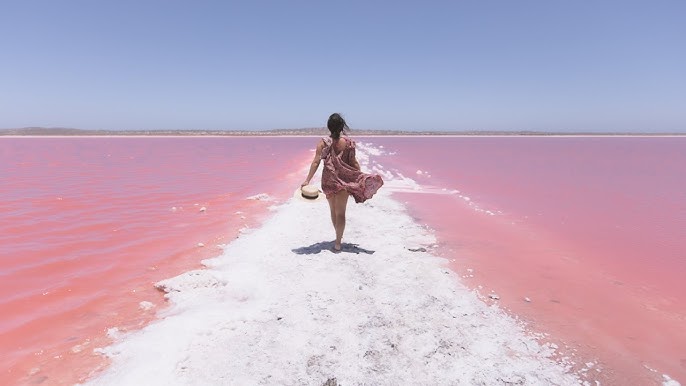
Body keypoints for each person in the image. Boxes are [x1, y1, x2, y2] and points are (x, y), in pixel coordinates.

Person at [301, 113, 384, 252]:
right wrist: (359, 177)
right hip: (344, 182)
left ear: (329, 126)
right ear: (342, 126)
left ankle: (337, 236)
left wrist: (307, 180)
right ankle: (338, 242)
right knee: (341, 212)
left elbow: (316, 162)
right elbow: (353, 163)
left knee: (333, 211)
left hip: (328, 181)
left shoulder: (323, 142)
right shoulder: (349, 143)